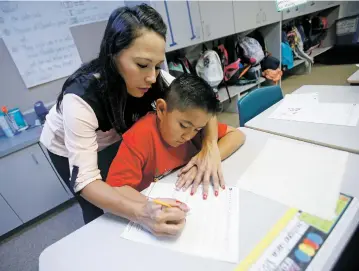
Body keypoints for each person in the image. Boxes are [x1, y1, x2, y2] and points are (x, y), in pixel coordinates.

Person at [40, 4, 225, 225]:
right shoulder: (80, 101)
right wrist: (142, 213)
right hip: (66, 144)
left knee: (122, 189)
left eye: (157, 66)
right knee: (98, 207)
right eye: (142, 65)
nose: (151, 77)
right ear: (113, 55)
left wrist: (210, 147)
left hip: (114, 131)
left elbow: (203, 106)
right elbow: (86, 181)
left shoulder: (156, 78)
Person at [105, 73, 246, 236]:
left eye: (197, 129)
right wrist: (152, 206)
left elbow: (237, 135)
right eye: (183, 125)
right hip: (150, 215)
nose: (189, 135)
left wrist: (207, 158)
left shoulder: (195, 123)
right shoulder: (140, 136)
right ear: (161, 109)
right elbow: (115, 189)